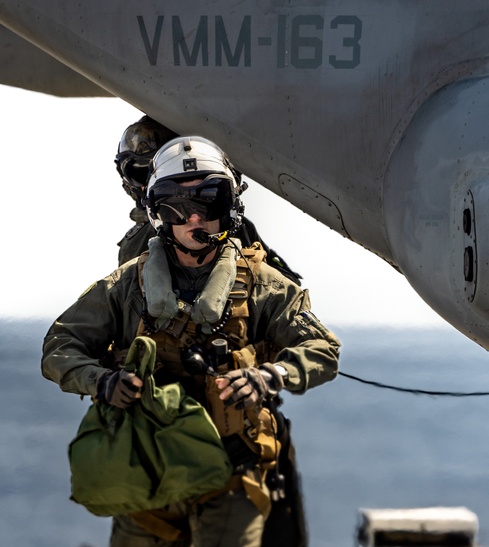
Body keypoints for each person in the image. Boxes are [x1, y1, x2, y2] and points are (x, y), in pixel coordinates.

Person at [42, 135, 341, 546]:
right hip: (148, 472)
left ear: (229, 207)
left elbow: (322, 349)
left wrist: (270, 376)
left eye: (207, 202)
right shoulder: (127, 286)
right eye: (176, 207)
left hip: (231, 475)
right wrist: (101, 381)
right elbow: (61, 346)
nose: (194, 219)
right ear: (157, 213)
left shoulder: (264, 286)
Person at [115, 116, 302, 284]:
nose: (194, 218)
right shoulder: (142, 240)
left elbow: (283, 284)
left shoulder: (227, 225)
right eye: (139, 174)